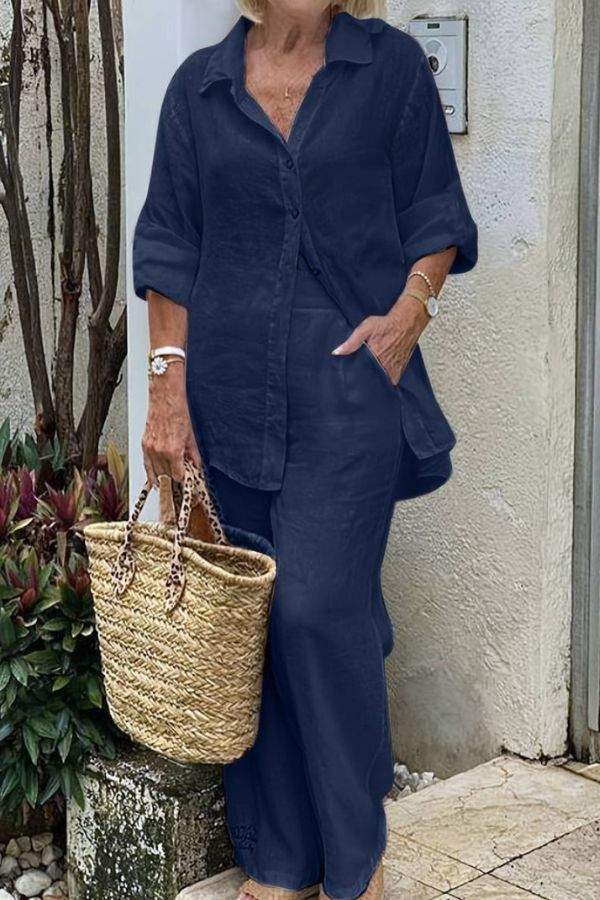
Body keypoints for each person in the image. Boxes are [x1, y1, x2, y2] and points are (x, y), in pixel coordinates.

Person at [133, 2, 477, 898]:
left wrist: (409, 316)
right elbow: (169, 245)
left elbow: (436, 214)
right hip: (225, 397)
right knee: (254, 619)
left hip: (348, 393)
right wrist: (167, 391)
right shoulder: (199, 90)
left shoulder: (388, 69)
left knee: (317, 609)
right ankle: (281, 861)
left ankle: (355, 858)